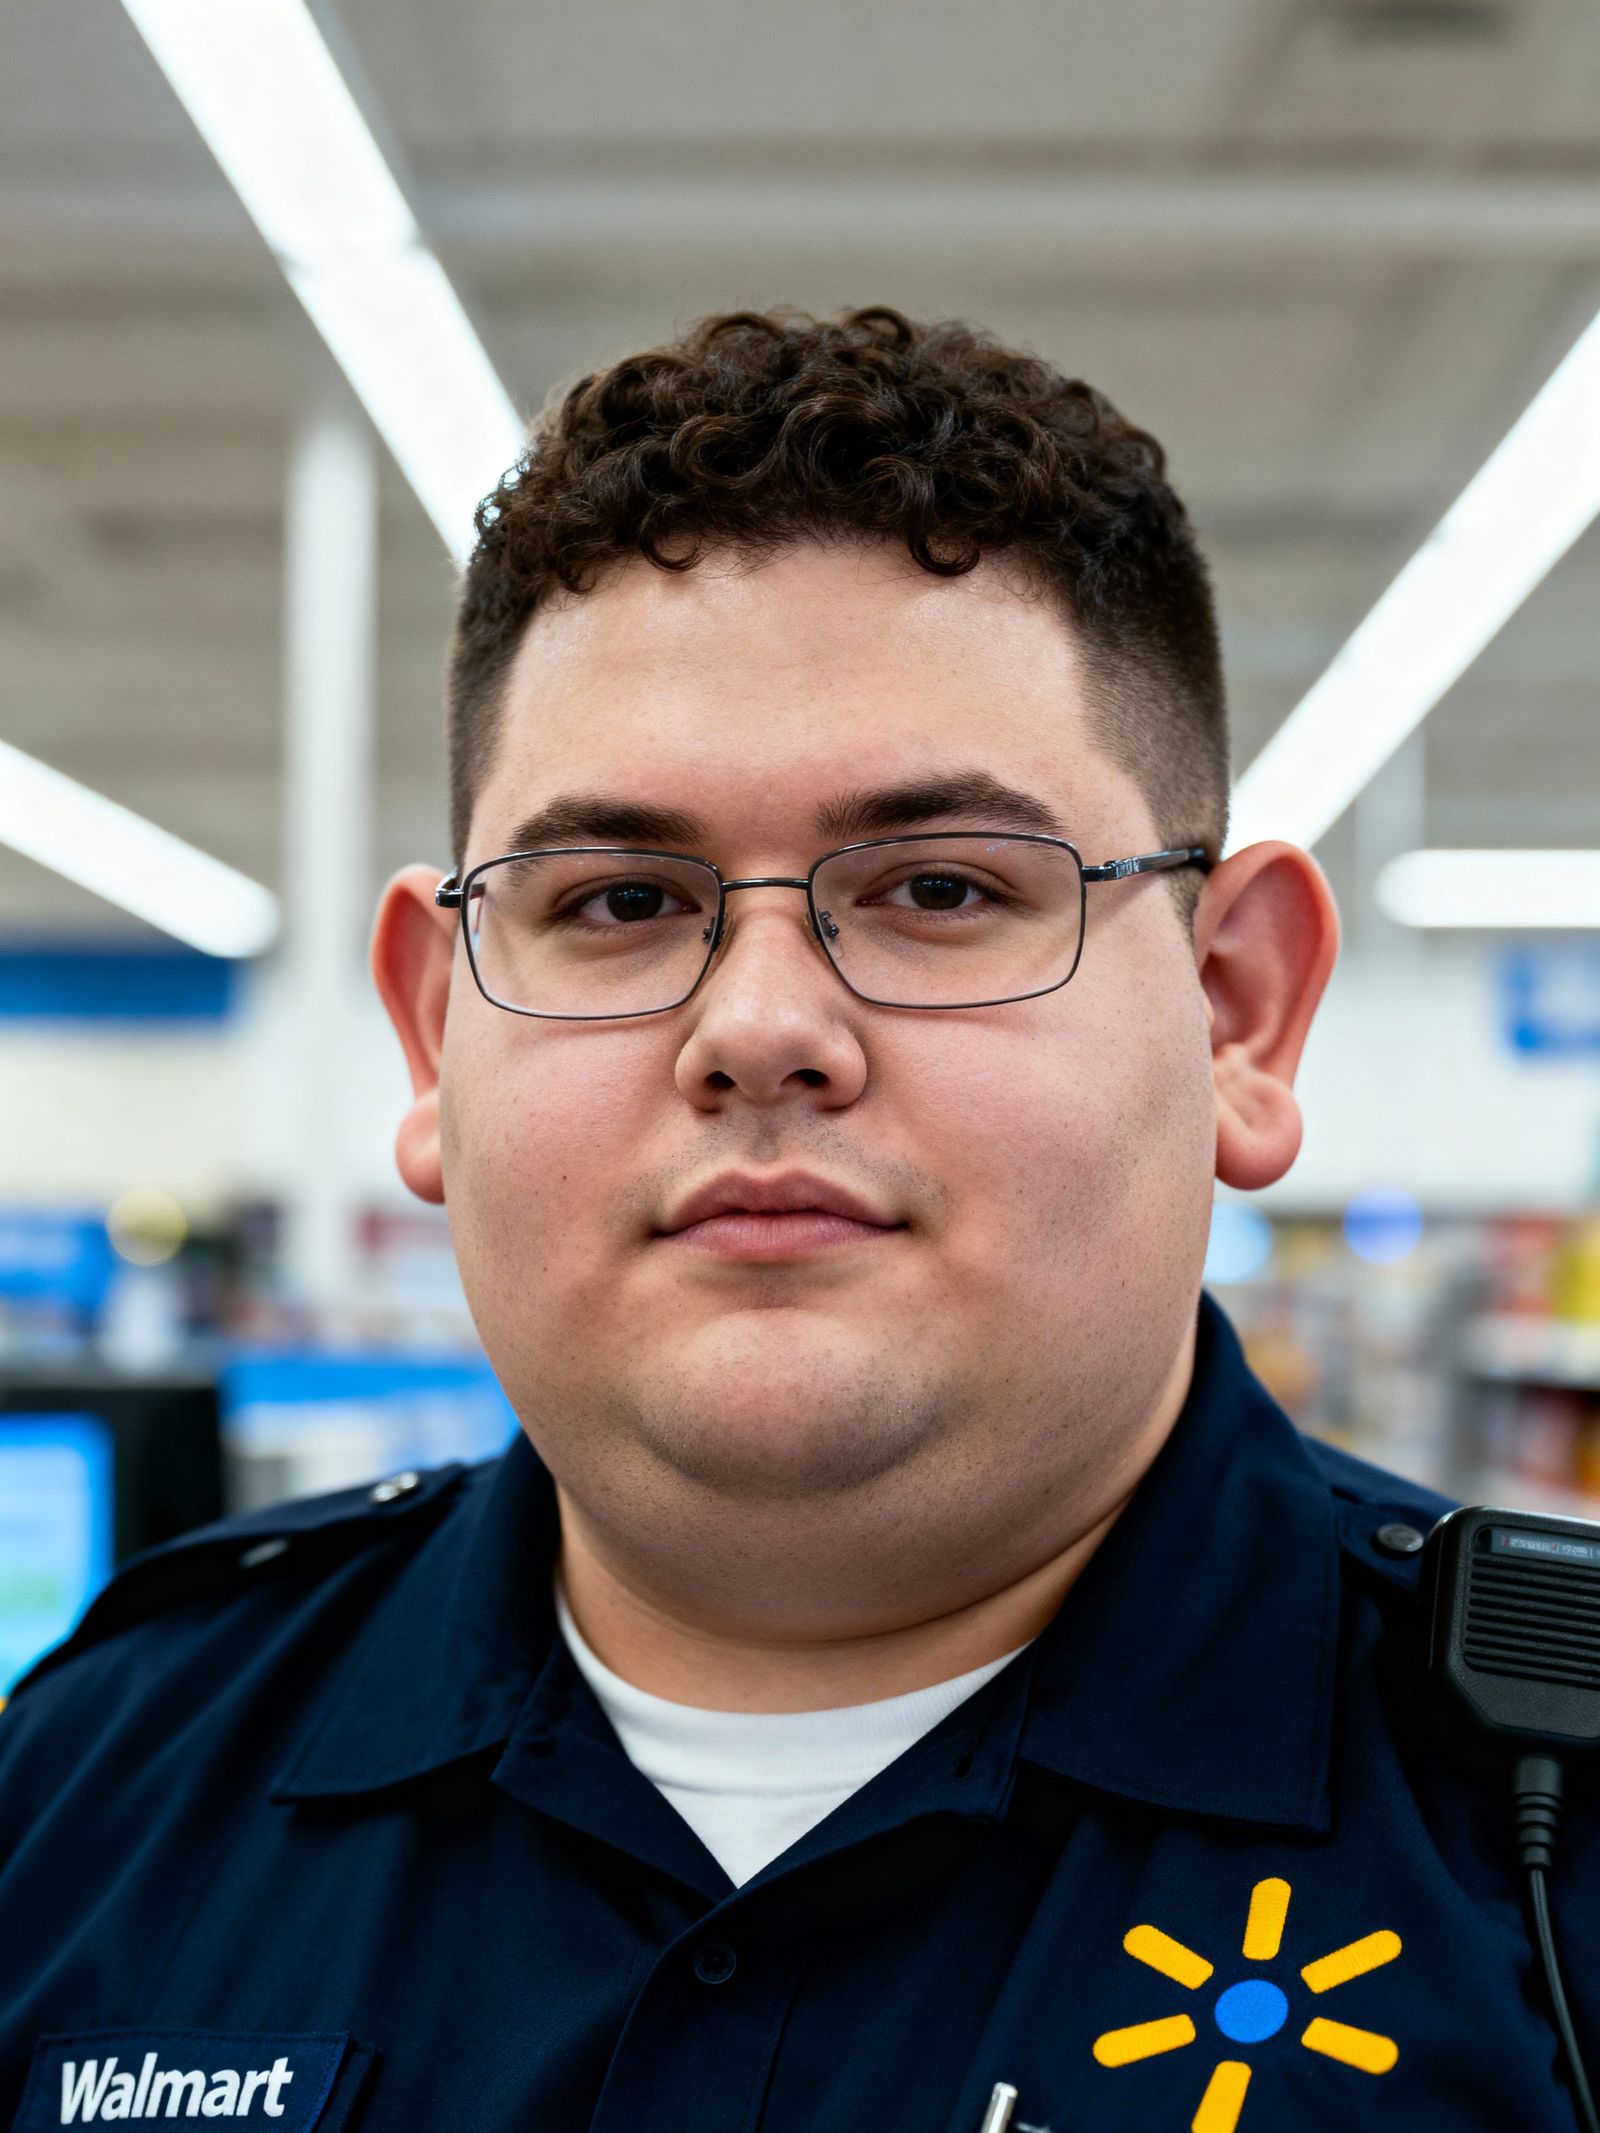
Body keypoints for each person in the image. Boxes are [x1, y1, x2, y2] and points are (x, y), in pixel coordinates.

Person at [0, 306, 1591, 2133]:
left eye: (936, 885)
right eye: (614, 901)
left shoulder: (1553, 1851)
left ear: (1236, 1011)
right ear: (437, 1034)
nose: (759, 1028)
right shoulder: (98, 1782)